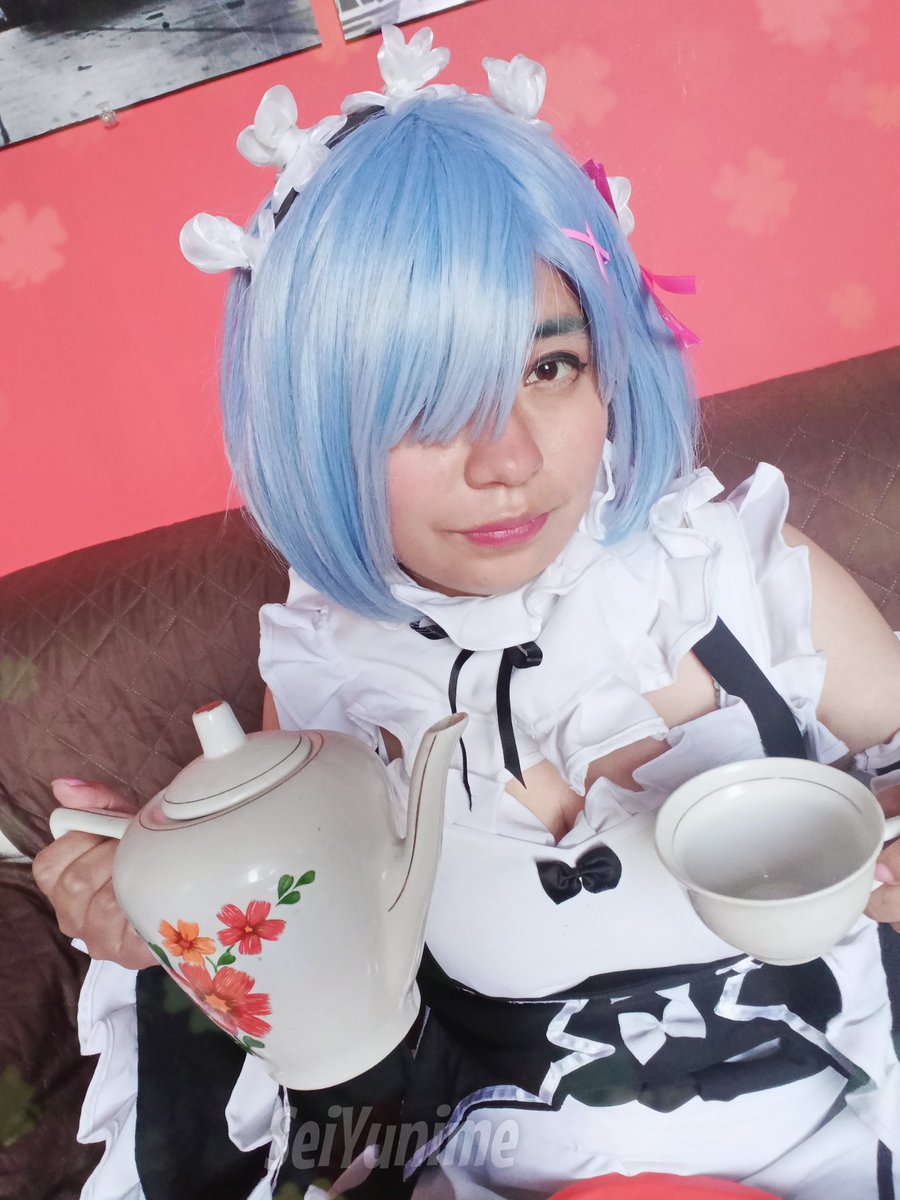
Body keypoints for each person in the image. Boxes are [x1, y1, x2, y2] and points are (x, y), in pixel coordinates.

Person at [32, 25, 900, 1200]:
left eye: (548, 368)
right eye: (428, 400)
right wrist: (176, 926)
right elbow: (348, 1071)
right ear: (316, 427)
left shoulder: (741, 571)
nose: (509, 461)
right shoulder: (329, 681)